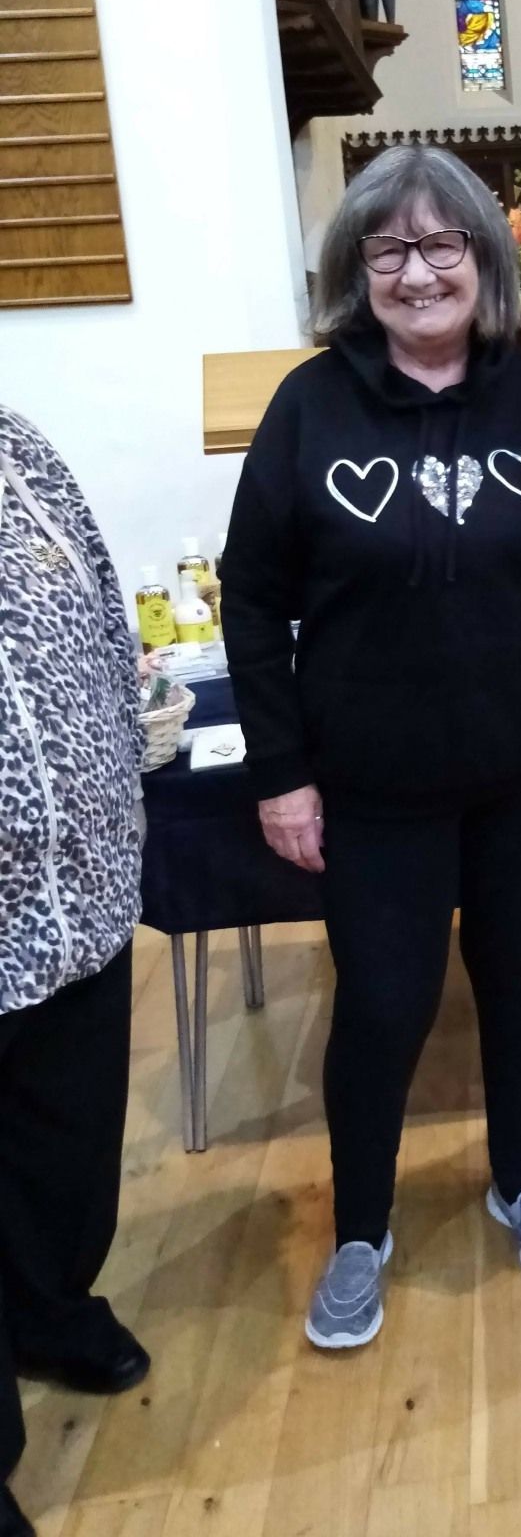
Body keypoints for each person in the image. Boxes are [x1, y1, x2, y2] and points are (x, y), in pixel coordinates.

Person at [222, 145, 521, 1351]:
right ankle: (361, 1228)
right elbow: (249, 597)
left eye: (444, 247)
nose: (419, 271)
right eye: (391, 251)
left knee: (520, 986)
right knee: (384, 1005)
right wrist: (279, 768)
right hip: (373, 782)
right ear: (358, 271)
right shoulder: (309, 407)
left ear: (485, 264)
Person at [0, 407, 150, 1537]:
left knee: (66, 1130)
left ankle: (46, 1307)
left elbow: (102, 608)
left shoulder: (19, 445)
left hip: (77, 891)